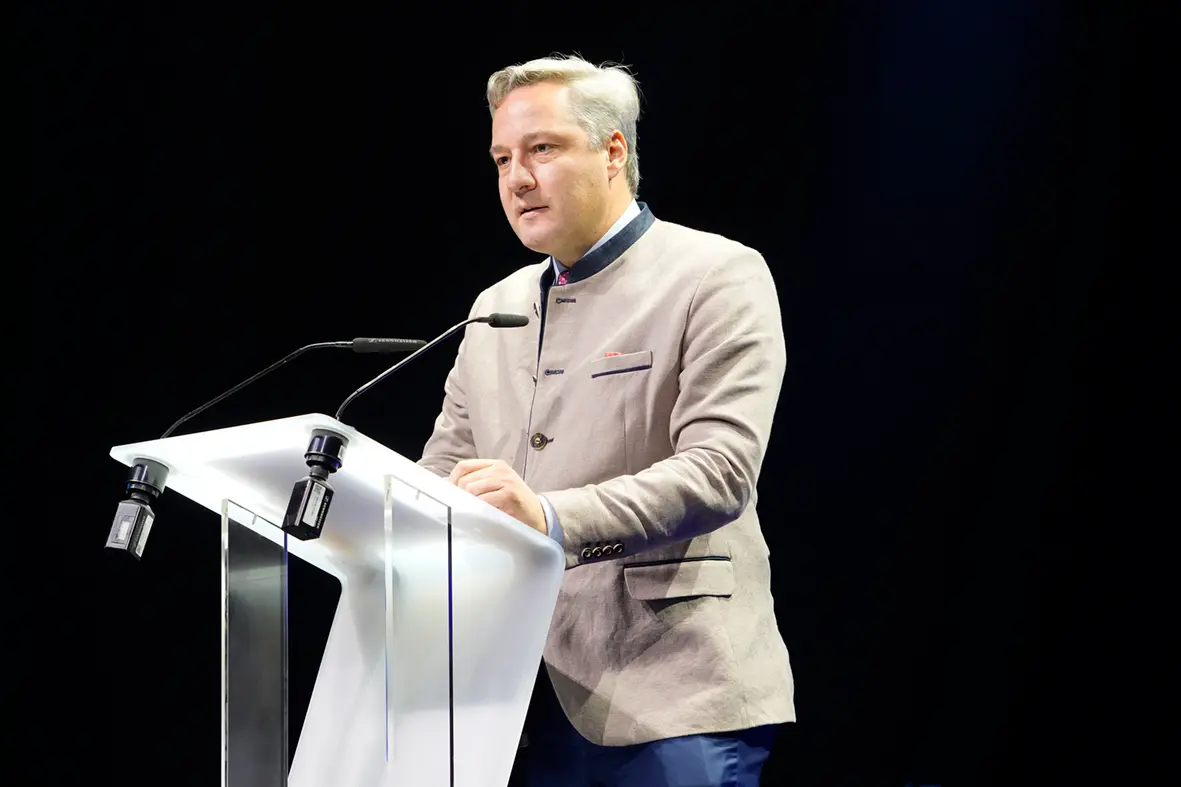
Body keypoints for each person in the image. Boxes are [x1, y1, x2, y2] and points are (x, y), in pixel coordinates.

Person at [417, 53, 794, 787]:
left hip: (673, 691)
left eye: (542, 148)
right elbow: (441, 473)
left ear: (613, 150)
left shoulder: (714, 274)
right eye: (502, 159)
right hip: (516, 702)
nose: (517, 178)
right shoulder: (495, 308)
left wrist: (548, 516)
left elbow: (719, 474)